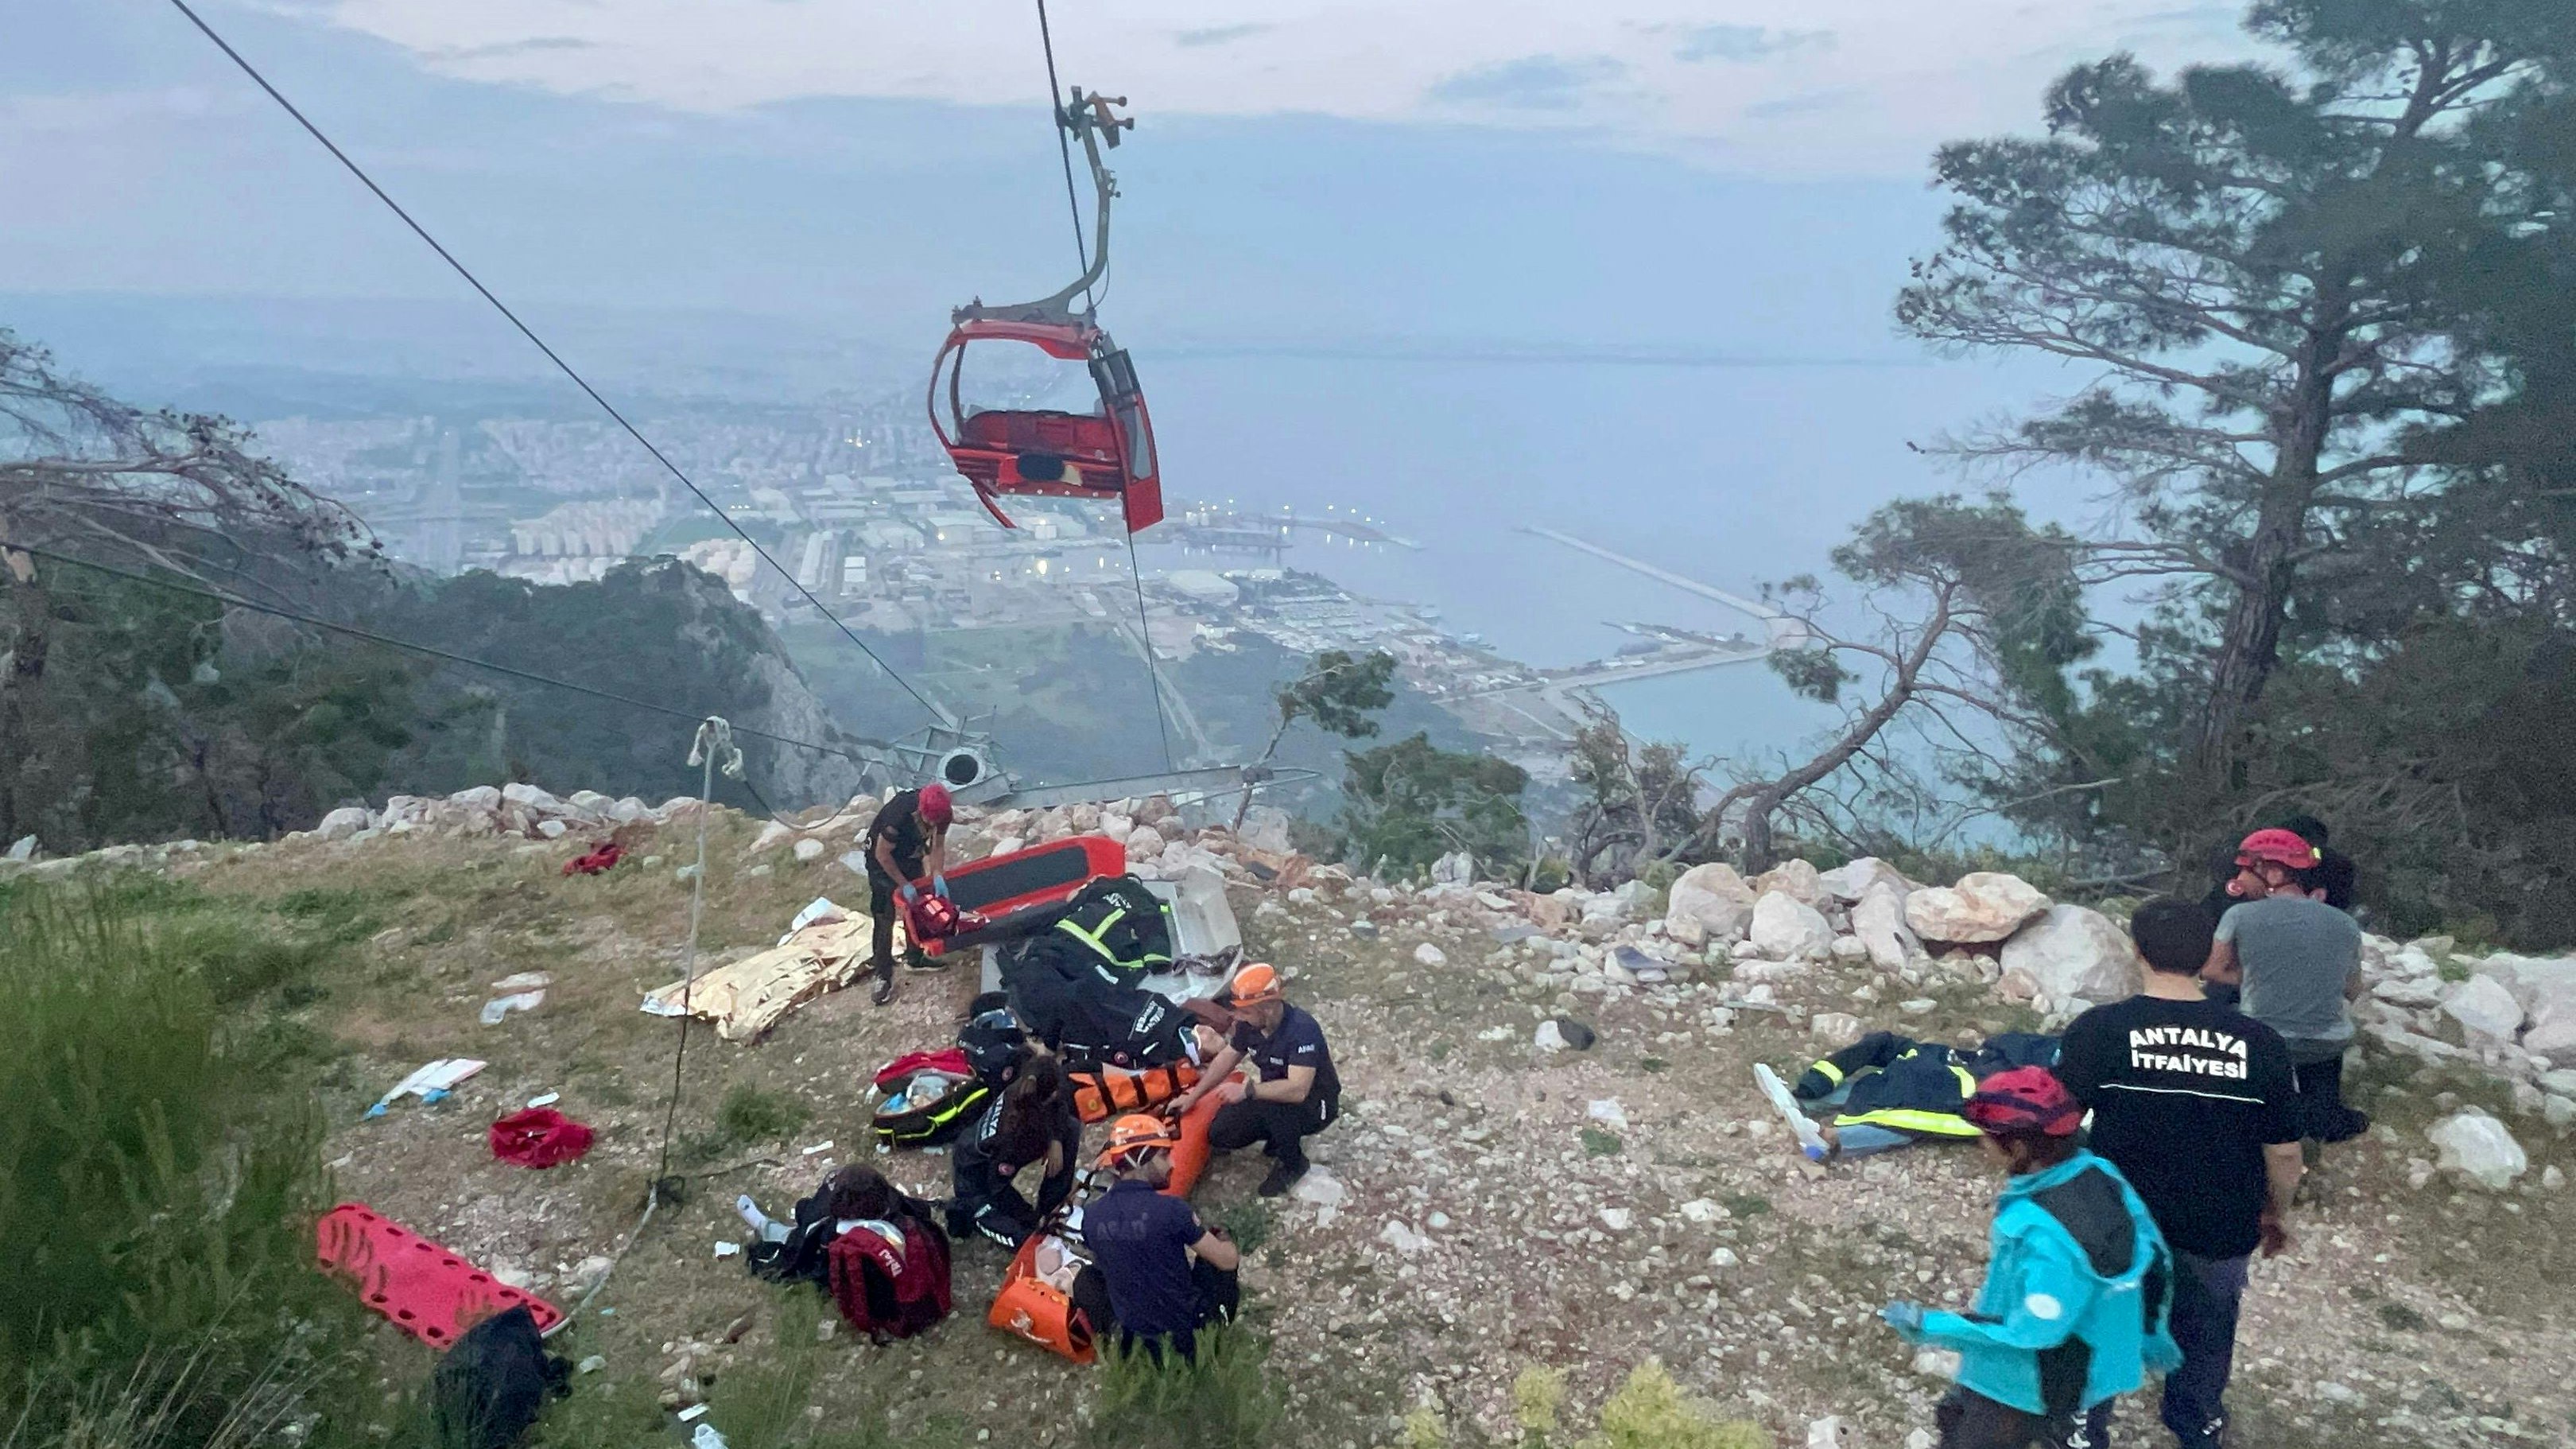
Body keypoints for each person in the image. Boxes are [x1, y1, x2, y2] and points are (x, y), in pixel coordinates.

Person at [2056, 898, 2305, 1449]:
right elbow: (2285, 1153)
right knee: (2208, 1327)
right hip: (2219, 1222)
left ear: (2137, 950)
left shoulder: (2099, 1031)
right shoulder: (2260, 1043)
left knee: (2101, 1323)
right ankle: (2197, 1422)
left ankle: (2083, 1428)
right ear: (2206, 958)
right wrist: (2275, 1211)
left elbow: (2056, 1126)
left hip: (2119, 1222)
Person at [1881, 1067, 2180, 1449]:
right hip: (2095, 1362)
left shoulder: (2042, 1232)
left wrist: (1932, 1325)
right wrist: (2153, 1337)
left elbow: (2033, 1333)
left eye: (1986, 1139)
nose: (1980, 1146)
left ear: (2019, 1149)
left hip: (2025, 1385)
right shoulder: (2098, 1171)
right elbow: (2155, 1257)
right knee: (1957, 1415)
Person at [2204, 829, 2369, 1145]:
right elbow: (2352, 990)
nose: (2240, 879)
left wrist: (2253, 977)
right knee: (2321, 1054)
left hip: (2263, 1041)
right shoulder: (2345, 924)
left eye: (2247, 870)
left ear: (2274, 873)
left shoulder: (2239, 914)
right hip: (2325, 1044)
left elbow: (2212, 969)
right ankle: (2323, 1117)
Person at [1166, 962, 1342, 1196]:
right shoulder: (1250, 1026)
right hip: (1270, 1095)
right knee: (1222, 1133)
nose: (1239, 1017)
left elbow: (1298, 1089)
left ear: (1267, 1008)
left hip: (1314, 1104)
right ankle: (1277, 1135)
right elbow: (1227, 1058)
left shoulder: (1301, 1030)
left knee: (1275, 1103)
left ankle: (1293, 1162)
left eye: (1245, 1011)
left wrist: (1249, 1091)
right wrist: (1194, 1096)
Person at [1080, 1114, 1241, 1363]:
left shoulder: (1091, 1217)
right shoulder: (1172, 1211)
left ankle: (1116, 1341)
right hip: (1185, 1340)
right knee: (1216, 1261)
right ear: (1140, 1160)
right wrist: (1227, 1239)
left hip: (1135, 1341)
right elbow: (1228, 1261)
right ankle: (1216, 1337)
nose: (1172, 1164)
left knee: (1089, 1276)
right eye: (1164, 1156)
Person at [949, 1055, 1083, 1250]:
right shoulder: (1012, 1138)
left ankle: (1052, 1207)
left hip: (1005, 1152)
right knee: (1024, 1239)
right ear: (1048, 1096)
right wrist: (1029, 1216)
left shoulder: (1027, 1086)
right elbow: (998, 1189)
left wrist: (1055, 1140)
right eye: (1055, 1092)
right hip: (976, 1179)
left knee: (1069, 1129)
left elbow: (1059, 1106)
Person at [864, 782, 952, 1005]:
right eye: (928, 820)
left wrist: (938, 875)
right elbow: (883, 854)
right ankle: (882, 974)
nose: (932, 824)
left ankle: (915, 957)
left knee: (917, 906)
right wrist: (903, 884)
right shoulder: (899, 815)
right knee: (884, 913)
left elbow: (937, 846)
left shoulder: (944, 814)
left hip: (910, 854)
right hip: (881, 860)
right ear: (921, 811)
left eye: (936, 821)